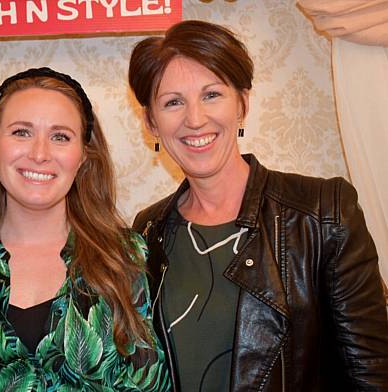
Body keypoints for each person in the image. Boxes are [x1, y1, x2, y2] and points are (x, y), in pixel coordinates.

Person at [128, 20, 388, 392]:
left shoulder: (322, 212)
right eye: (173, 102)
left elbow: (373, 375)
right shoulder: (148, 230)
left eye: (212, 95)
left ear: (243, 104)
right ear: (151, 123)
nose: (195, 119)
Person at [0, 67, 171, 391]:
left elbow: (147, 382)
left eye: (60, 137)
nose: (39, 153)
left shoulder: (125, 257)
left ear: (82, 156)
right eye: (21, 132)